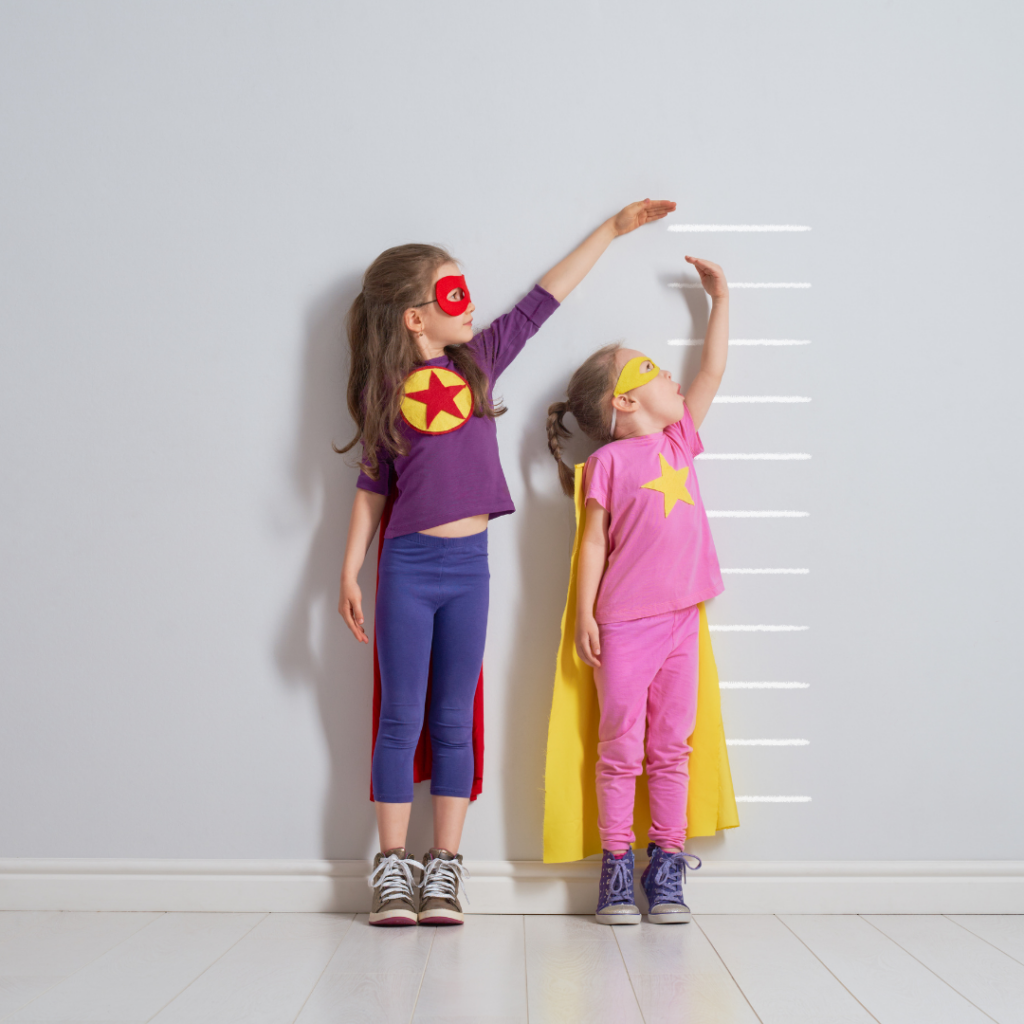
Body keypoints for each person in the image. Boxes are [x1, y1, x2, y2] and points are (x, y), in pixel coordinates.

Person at [337, 199, 676, 926]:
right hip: (406, 568)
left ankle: (444, 871)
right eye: (453, 294)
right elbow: (371, 487)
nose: (472, 305)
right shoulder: (382, 395)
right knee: (400, 718)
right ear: (413, 318)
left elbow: (542, 301)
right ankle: (392, 869)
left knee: (454, 717)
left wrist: (611, 233)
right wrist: (349, 571)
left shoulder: (480, 363)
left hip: (469, 570)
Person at [545, 254, 729, 924]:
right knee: (621, 749)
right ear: (622, 401)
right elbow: (591, 542)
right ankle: (616, 870)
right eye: (648, 368)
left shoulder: (680, 441)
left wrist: (719, 301)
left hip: (681, 620)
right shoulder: (606, 464)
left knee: (671, 748)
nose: (666, 373)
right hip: (624, 625)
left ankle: (669, 867)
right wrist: (586, 616)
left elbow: (710, 371)